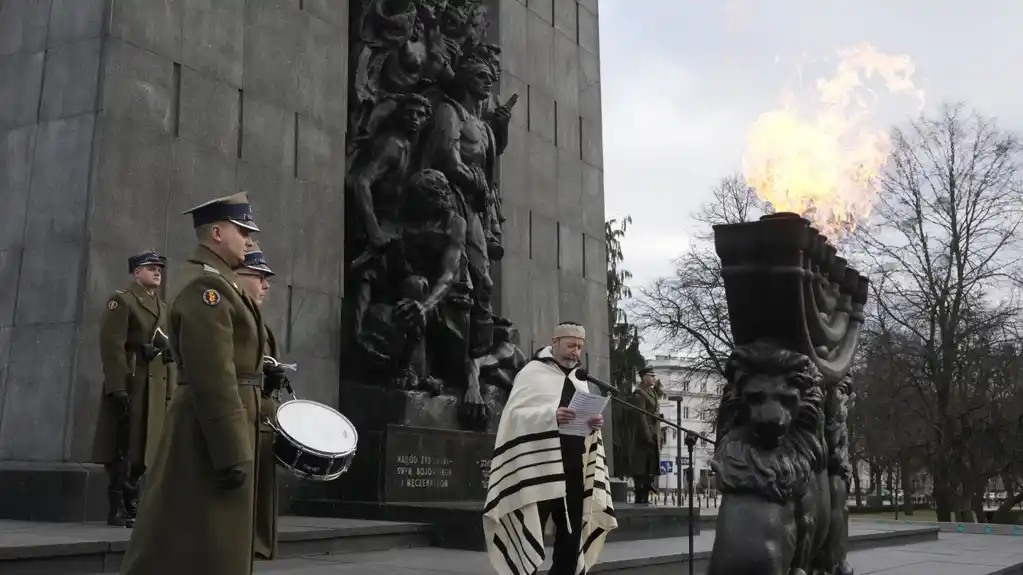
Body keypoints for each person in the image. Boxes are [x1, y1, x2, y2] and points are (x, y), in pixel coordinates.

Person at [119, 192, 266, 575]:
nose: (249, 240)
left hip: (221, 426)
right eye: (242, 230)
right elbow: (213, 375)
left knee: (208, 541)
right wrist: (232, 449)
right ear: (216, 233)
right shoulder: (207, 290)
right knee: (199, 544)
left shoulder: (224, 285)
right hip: (209, 432)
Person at [483, 321, 618, 575]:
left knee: (571, 536)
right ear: (555, 343)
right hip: (538, 468)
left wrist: (592, 424)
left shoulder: (580, 379)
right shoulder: (532, 373)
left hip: (573, 466)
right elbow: (514, 417)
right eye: (570, 345)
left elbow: (581, 421)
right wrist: (550, 415)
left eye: (579, 347)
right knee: (529, 529)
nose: (575, 352)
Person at [92, 250, 176, 528]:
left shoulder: (162, 307)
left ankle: (133, 501)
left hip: (154, 388)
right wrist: (117, 387)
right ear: (136, 272)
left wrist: (169, 391)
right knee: (124, 447)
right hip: (132, 384)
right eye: (150, 268)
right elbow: (112, 346)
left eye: (159, 269)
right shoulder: (122, 301)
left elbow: (167, 353)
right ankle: (118, 507)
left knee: (144, 450)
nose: (157, 272)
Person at [233, 243, 289, 560]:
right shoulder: (230, 316)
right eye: (259, 276)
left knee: (263, 486)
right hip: (240, 409)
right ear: (239, 275)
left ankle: (259, 543)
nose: (266, 286)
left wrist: (274, 378)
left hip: (263, 412)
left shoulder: (263, 326)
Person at [629, 366, 662, 504]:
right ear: (644, 377)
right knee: (641, 466)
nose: (654, 378)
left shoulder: (653, 392)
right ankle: (639, 496)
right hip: (643, 436)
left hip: (654, 433)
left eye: (654, 375)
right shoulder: (639, 393)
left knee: (650, 466)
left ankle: (646, 494)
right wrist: (647, 436)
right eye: (651, 375)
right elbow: (640, 416)